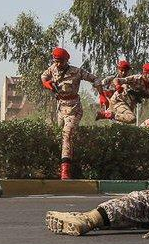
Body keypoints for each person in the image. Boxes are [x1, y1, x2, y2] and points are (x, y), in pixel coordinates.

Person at [41, 47, 105, 179]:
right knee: (56, 134)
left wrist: (102, 94)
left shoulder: (77, 72)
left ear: (67, 60)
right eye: (56, 61)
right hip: (59, 108)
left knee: (67, 134)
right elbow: (43, 76)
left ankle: (65, 169)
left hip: (73, 109)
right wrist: (46, 83)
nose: (58, 64)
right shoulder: (52, 68)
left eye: (61, 61)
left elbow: (95, 79)